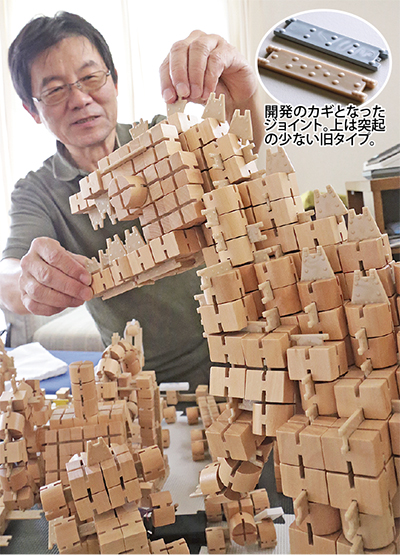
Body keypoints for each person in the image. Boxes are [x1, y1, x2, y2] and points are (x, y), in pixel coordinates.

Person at [0, 12, 262, 388]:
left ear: (115, 81)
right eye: (55, 90)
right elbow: (9, 274)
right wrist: (27, 280)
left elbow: (240, 152)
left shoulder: (163, 134)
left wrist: (245, 94)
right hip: (148, 382)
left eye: (91, 77)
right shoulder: (38, 191)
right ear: (32, 110)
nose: (80, 99)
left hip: (245, 351)